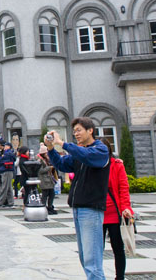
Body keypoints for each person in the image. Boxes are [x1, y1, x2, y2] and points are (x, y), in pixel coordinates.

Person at [45, 117, 111, 280]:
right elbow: (61, 164)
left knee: (92, 260)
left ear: (90, 131)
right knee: (85, 258)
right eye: (74, 131)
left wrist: (64, 144)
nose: (76, 134)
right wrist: (51, 149)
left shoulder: (100, 150)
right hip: (78, 208)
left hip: (91, 209)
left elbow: (87, 155)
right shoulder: (80, 152)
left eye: (79, 130)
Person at [100, 138, 134, 280]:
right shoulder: (91, 164)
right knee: (96, 250)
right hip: (97, 212)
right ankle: (97, 276)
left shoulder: (117, 165)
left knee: (118, 248)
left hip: (114, 213)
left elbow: (123, 188)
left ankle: (119, 277)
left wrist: (126, 207)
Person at [0, 142, 16, 207]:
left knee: (4, 186)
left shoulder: (7, 153)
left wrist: (1, 158)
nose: (4, 147)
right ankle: (10, 202)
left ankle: (0, 202)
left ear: (9, 147)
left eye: (6, 146)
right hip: (8, 171)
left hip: (6, 170)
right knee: (9, 187)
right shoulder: (10, 153)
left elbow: (0, 161)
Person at [38, 150, 57, 215]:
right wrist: (50, 167)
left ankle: (50, 207)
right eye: (46, 153)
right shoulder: (40, 160)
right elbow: (40, 171)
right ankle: (43, 207)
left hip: (49, 180)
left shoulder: (47, 160)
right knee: (45, 195)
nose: (47, 154)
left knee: (52, 194)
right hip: (44, 180)